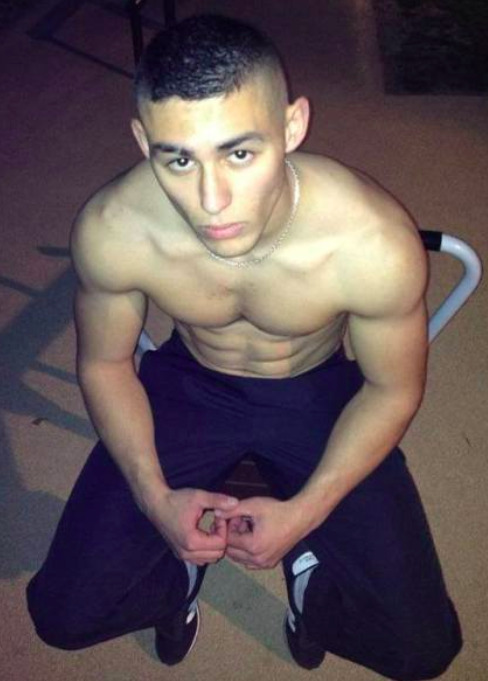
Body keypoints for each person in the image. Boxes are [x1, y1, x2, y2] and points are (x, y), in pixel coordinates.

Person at [26, 13, 462, 679]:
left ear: (292, 126)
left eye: (239, 153)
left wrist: (304, 515)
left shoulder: (371, 243)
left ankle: (309, 582)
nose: (211, 201)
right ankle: (178, 579)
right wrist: (154, 498)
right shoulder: (114, 229)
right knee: (62, 617)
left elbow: (392, 388)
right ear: (143, 142)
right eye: (179, 159)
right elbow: (105, 363)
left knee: (423, 651)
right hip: (189, 381)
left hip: (318, 389)